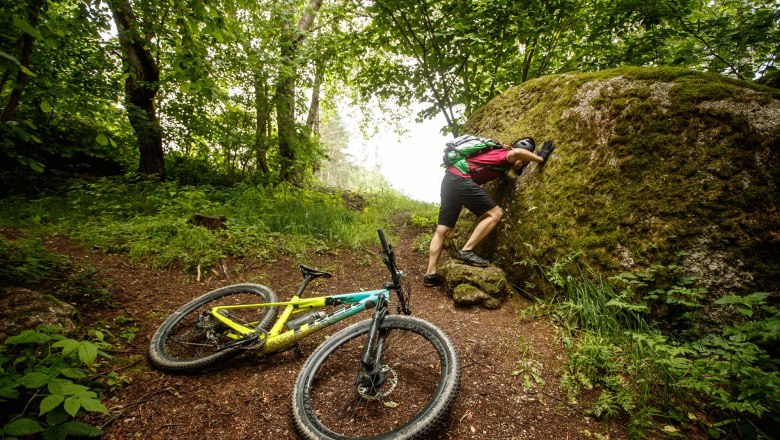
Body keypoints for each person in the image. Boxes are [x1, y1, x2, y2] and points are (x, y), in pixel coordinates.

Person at [423, 136, 555, 287]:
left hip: (450, 179)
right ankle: (466, 251)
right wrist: (540, 157)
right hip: (461, 180)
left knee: (443, 230)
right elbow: (516, 152)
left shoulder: (495, 158)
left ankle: (430, 275)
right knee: (495, 214)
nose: (521, 164)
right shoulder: (506, 154)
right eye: (524, 161)